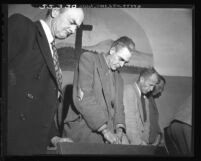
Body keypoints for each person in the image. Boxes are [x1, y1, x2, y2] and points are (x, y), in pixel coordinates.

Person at [8, 7, 84, 155]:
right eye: (72, 22)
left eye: (77, 27)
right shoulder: (22, 26)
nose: (74, 30)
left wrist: (54, 137)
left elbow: (42, 104)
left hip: (34, 145)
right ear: (55, 11)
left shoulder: (52, 51)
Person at [62, 36, 136, 144]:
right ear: (112, 50)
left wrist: (119, 131)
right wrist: (105, 131)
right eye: (121, 59)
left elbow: (119, 107)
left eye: (126, 62)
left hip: (107, 138)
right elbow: (85, 98)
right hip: (83, 133)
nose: (122, 65)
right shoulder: (89, 60)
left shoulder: (119, 79)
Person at [123, 68, 159, 145]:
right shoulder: (129, 90)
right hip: (129, 143)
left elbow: (146, 124)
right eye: (150, 85)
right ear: (142, 79)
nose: (152, 89)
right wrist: (139, 144)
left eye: (154, 86)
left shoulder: (145, 99)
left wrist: (145, 142)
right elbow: (129, 122)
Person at [146, 75, 166, 146]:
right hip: (147, 141)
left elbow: (154, 121)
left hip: (154, 141)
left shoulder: (151, 99)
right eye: (160, 88)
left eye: (162, 89)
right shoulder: (145, 98)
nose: (160, 91)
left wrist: (160, 135)